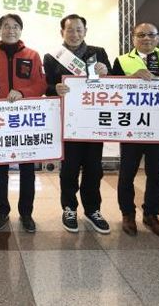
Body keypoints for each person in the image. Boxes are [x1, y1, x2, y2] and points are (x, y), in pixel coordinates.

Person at [43, 14, 112, 234]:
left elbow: (112, 83)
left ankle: (92, 209)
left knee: (94, 168)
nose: (75, 34)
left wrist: (105, 72)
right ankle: (69, 208)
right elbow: (45, 86)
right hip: (68, 122)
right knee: (69, 169)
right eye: (70, 30)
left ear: (85, 31)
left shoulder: (98, 53)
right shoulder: (52, 57)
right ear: (62, 32)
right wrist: (54, 89)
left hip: (93, 120)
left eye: (79, 29)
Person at [0, 14, 47, 233]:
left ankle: (26, 213)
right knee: (0, 169)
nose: (11, 30)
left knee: (28, 169)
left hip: (25, 121)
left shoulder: (32, 55)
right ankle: (2, 210)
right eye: (6, 26)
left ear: (21, 30)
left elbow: (41, 85)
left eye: (15, 26)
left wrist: (22, 92)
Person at [110, 22, 159, 239]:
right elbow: (111, 88)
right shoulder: (122, 60)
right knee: (127, 173)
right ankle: (127, 214)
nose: (146, 38)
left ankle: (151, 214)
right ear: (133, 38)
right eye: (141, 35)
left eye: (151, 35)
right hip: (131, 126)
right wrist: (131, 77)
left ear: (158, 38)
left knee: (155, 174)